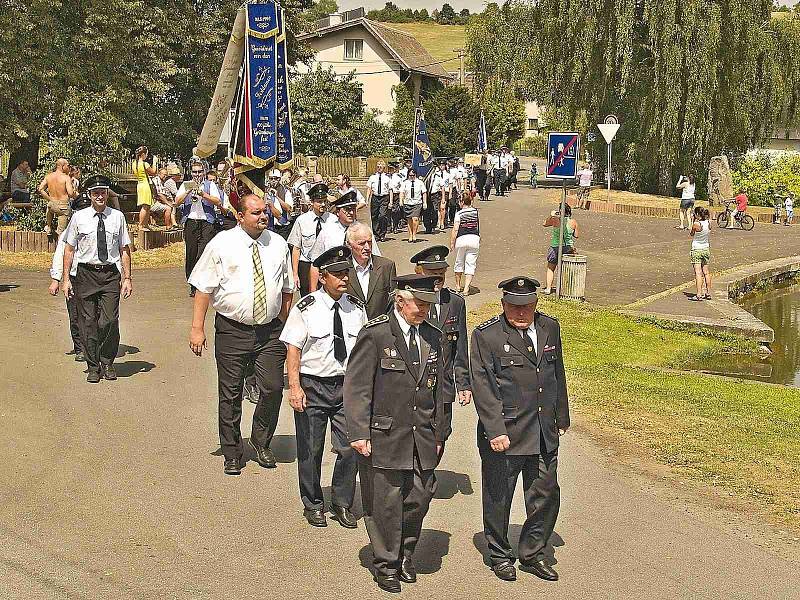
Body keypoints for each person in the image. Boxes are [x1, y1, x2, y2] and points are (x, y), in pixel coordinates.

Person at [343, 274, 446, 593]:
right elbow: (357, 386)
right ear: (400, 300)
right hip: (383, 433)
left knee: (419, 495)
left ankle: (405, 553)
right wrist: (359, 431)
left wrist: (440, 430)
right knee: (385, 501)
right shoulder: (375, 334)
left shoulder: (433, 335)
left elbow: (439, 388)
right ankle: (386, 562)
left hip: (422, 435)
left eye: (429, 304)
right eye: (420, 303)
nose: (425, 310)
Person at [470, 276, 570, 583]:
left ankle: (532, 552)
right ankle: (500, 554)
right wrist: (494, 429)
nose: (521, 313)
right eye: (514, 306)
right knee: (499, 497)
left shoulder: (549, 327)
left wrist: (561, 417)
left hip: (542, 430)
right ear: (503, 305)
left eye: (526, 306)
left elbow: (557, 373)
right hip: (506, 433)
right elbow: (483, 387)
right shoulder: (486, 336)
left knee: (546, 495)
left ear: (536, 305)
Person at [188, 194, 295, 475]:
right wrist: (197, 328)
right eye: (256, 213)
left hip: (269, 331)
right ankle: (232, 451)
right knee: (231, 392)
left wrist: (284, 325)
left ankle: (261, 441)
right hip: (232, 330)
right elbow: (203, 288)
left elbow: (286, 290)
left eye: (266, 213)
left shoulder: (278, 244)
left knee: (272, 388)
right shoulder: (222, 244)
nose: (264, 217)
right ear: (239, 215)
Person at [281, 245, 366, 528]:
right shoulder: (306, 308)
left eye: (347, 273)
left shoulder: (356, 309)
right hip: (313, 385)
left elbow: (364, 351)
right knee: (311, 448)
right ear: (323, 277)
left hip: (347, 388)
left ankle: (342, 502)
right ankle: (313, 502)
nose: (344, 279)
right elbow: (293, 349)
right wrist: (295, 387)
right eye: (338, 274)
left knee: (348, 448)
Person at [61, 175, 133, 383]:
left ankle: (107, 361)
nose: (100, 196)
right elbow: (69, 249)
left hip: (110, 274)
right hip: (86, 274)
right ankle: (93, 366)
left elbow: (124, 249)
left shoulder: (117, 217)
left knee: (109, 320)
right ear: (89, 195)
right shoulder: (79, 217)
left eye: (103, 192)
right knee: (88, 322)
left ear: (107, 193)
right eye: (95, 193)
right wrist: (66, 279)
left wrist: (127, 277)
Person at [410, 245, 471, 444]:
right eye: (431, 273)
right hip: (414, 386)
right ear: (419, 272)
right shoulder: (408, 301)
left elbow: (460, 349)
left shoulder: (455, 303)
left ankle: (428, 471)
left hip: (443, 387)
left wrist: (463, 384)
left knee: (441, 435)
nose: (437, 279)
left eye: (441, 274)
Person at [48, 193, 94, 362]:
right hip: (73, 277)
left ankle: (92, 346)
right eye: (79, 210)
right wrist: (56, 279)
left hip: (92, 276)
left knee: (92, 314)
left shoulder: (97, 225)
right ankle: (80, 348)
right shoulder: (68, 232)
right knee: (75, 315)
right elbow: (60, 254)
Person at [308, 190, 382, 291]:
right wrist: (313, 291)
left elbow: (376, 259)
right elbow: (315, 263)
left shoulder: (364, 230)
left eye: (353, 209)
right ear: (337, 212)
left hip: (360, 282)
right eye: (347, 209)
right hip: (334, 282)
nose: (351, 212)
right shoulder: (327, 231)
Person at [177, 160, 224, 297]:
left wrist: (203, 194)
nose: (197, 174)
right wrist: (188, 192)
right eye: (194, 172)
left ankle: (201, 285)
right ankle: (192, 284)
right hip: (191, 221)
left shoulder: (210, 185)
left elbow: (218, 201)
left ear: (204, 172)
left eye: (199, 171)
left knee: (203, 253)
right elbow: (176, 202)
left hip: (206, 222)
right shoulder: (186, 184)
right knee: (191, 253)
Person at [288, 182, 335, 297]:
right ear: (312, 202)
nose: (323, 204)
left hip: (327, 265)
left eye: (325, 201)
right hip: (306, 266)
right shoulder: (302, 220)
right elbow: (296, 248)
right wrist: (295, 274)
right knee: (308, 298)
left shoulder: (333, 220)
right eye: (319, 202)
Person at [346, 222, 397, 319]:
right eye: (361, 243)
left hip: (380, 329)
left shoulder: (386, 267)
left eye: (369, 242)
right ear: (349, 245)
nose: (367, 248)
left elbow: (393, 302)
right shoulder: (342, 269)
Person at [541, 205, 578, 295]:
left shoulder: (555, 220)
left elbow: (544, 224)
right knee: (567, 268)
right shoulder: (573, 222)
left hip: (555, 247)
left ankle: (548, 288)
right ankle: (567, 289)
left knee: (551, 268)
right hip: (568, 247)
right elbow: (576, 235)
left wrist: (551, 215)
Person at [450, 194, 480, 295]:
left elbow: (455, 229)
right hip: (474, 238)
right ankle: (467, 288)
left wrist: (452, 243)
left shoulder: (459, 213)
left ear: (462, 202)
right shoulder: (475, 212)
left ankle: (458, 286)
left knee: (459, 262)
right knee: (471, 264)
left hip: (461, 239)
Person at [40, 158, 75, 236]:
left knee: (49, 208)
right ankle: (60, 246)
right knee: (61, 233)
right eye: (68, 165)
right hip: (63, 206)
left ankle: (48, 227)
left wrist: (49, 199)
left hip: (52, 204)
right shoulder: (66, 178)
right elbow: (70, 193)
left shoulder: (49, 176)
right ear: (62, 166)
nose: (69, 167)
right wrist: (74, 190)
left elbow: (40, 189)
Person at [133, 146, 159, 232]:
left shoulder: (134, 163)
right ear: (143, 154)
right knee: (145, 206)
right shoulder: (145, 164)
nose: (147, 156)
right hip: (145, 185)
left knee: (147, 206)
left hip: (140, 184)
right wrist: (155, 162)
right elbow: (154, 172)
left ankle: (145, 224)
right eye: (146, 154)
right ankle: (141, 225)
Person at [689, 206, 712, 301]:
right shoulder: (708, 223)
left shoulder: (696, 224)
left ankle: (699, 294)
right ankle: (708, 292)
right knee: (706, 272)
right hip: (706, 249)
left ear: (697, 215)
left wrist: (691, 221)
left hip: (696, 249)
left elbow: (691, 233)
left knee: (698, 273)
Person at [367, 161, 392, 241]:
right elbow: (369, 188)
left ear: (384, 168)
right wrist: (367, 199)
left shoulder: (387, 177)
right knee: (374, 216)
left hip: (384, 198)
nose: (379, 168)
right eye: (378, 166)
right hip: (375, 197)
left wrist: (391, 201)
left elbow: (390, 190)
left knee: (382, 215)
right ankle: (376, 234)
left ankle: (383, 233)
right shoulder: (372, 177)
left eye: (380, 167)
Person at [400, 169, 425, 243]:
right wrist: (401, 200)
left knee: (415, 219)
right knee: (409, 219)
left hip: (417, 203)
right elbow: (402, 192)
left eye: (413, 175)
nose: (411, 177)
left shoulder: (420, 183)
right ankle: (410, 234)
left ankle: (414, 234)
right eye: (410, 175)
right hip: (408, 203)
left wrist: (425, 202)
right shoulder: (405, 183)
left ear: (415, 175)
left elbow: (424, 192)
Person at [431, 162, 449, 232]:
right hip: (437, 193)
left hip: (445, 192)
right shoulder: (435, 175)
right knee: (438, 208)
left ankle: (442, 222)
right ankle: (438, 221)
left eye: (443, 165)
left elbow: (448, 184)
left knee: (442, 208)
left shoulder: (447, 174)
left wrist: (447, 195)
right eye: (440, 165)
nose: (441, 167)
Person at [388, 161, 405, 234]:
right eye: (390, 168)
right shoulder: (386, 176)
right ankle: (388, 227)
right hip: (388, 195)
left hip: (396, 195)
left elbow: (402, 187)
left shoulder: (399, 177)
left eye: (393, 168)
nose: (392, 170)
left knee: (396, 211)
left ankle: (395, 226)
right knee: (387, 212)